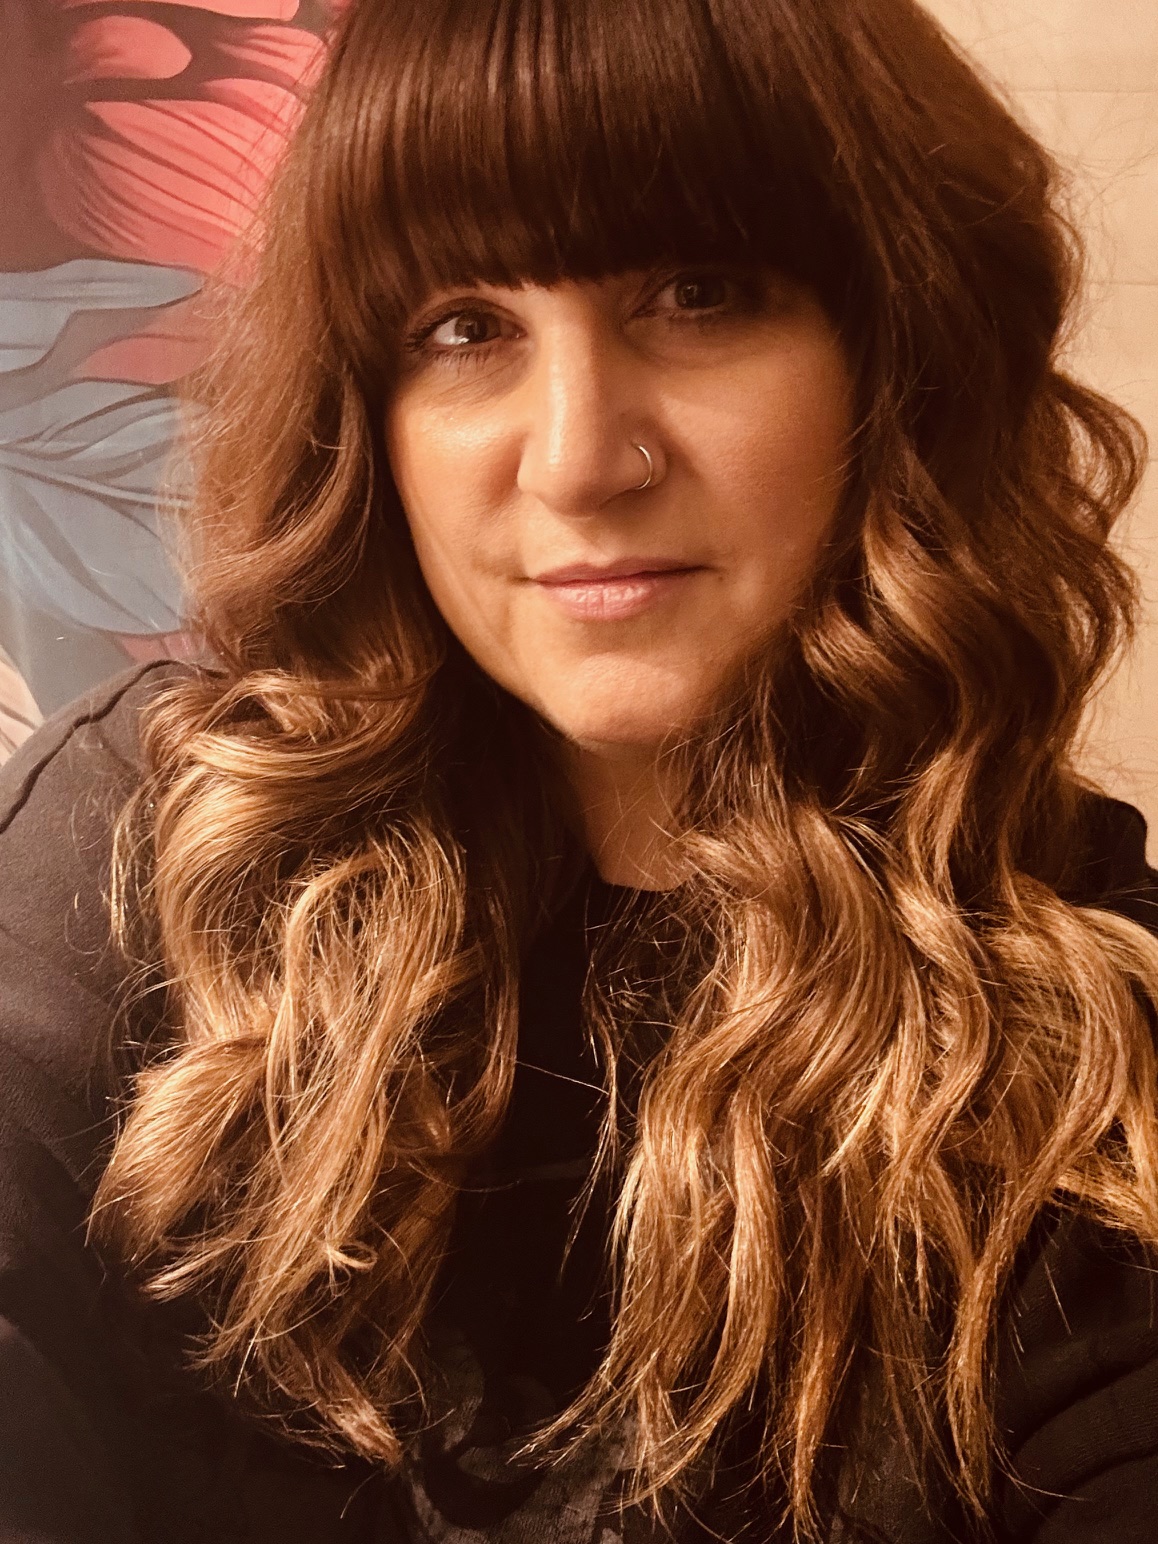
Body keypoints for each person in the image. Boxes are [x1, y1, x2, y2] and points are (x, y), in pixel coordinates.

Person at [2, 0, 1158, 1539]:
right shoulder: (144, 851)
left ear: (902, 357)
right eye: (463, 328)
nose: (575, 460)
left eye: (697, 294)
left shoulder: (1087, 1040)